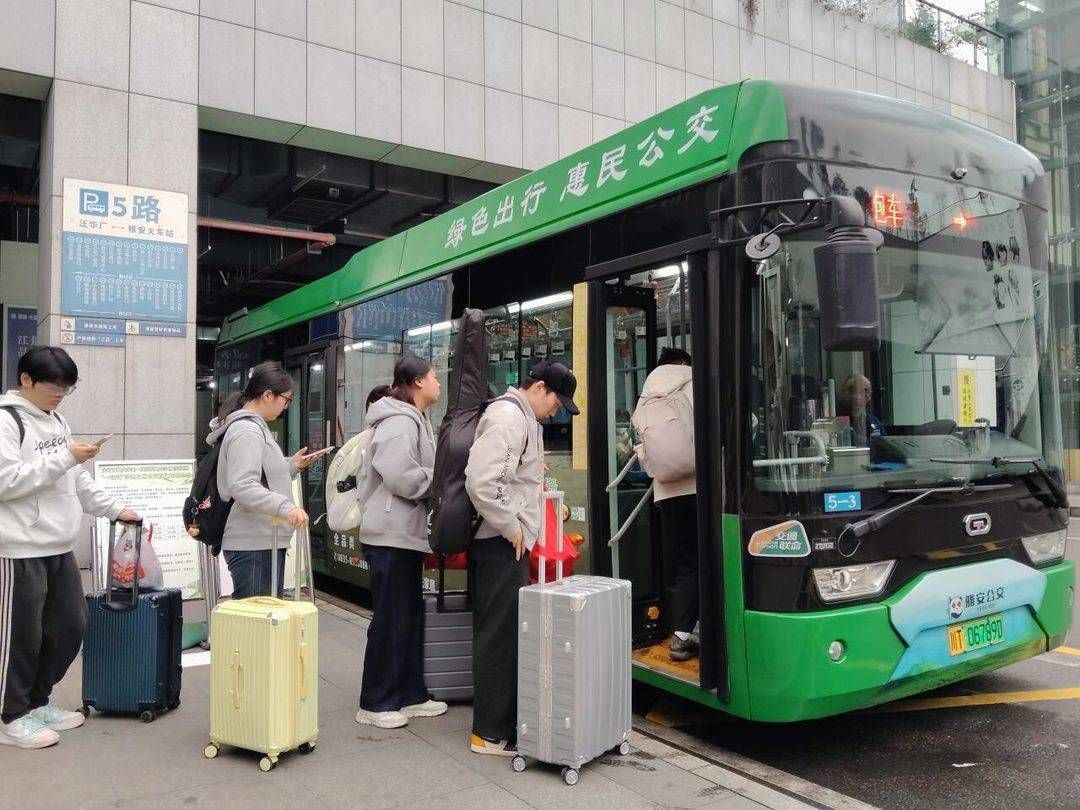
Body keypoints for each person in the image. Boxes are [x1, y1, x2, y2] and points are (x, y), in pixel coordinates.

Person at [0, 346, 140, 749]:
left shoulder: (58, 420)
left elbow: (78, 481)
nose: (60, 395)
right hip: (18, 548)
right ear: (26, 380)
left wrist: (115, 510)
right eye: (54, 387)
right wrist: (64, 458)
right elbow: (6, 482)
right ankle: (11, 715)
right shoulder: (7, 421)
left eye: (67, 388)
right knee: (20, 637)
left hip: (59, 546)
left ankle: (37, 701)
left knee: (69, 626)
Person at [464, 359, 579, 756]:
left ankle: (497, 726)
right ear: (540, 387)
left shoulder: (519, 418)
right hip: (499, 540)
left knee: (502, 632)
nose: (556, 411)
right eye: (557, 402)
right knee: (498, 636)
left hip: (503, 539)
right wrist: (511, 525)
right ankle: (489, 733)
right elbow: (482, 481)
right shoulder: (510, 417)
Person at [354, 357, 446, 729]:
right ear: (418, 381)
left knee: (407, 616)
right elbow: (399, 475)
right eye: (434, 376)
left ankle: (409, 695)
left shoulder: (414, 419)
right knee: (391, 618)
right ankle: (375, 703)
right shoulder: (399, 420)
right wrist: (439, 482)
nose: (438, 383)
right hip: (390, 533)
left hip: (404, 533)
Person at [206, 361, 318, 600]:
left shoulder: (252, 428)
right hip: (253, 543)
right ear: (268, 395)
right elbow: (243, 485)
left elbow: (261, 475)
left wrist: (292, 465)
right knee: (257, 620)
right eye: (286, 400)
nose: (285, 407)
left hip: (261, 539)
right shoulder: (247, 431)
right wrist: (286, 507)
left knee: (261, 617)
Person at [634, 347, 699, 662]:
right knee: (711, 559)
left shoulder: (647, 392)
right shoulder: (694, 380)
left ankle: (682, 634)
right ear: (685, 362)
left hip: (666, 492)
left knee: (686, 563)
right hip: (700, 487)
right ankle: (706, 630)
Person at [838, 373, 885, 446]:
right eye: (851, 391)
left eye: (864, 391)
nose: (857, 397)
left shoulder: (874, 422)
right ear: (843, 393)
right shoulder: (836, 421)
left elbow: (885, 446)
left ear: (869, 396)